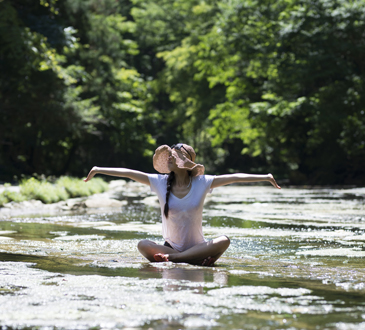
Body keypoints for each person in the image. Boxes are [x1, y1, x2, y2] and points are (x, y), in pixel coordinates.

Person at [84, 143, 281, 266]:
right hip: (171, 248)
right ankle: (189, 259)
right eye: (169, 156)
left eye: (174, 156)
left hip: (199, 247)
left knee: (224, 240)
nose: (169, 158)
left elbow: (234, 178)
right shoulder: (160, 182)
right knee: (143, 245)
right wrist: (98, 169)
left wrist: (265, 177)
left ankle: (180, 259)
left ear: (184, 163)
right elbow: (129, 173)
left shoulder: (202, 182)